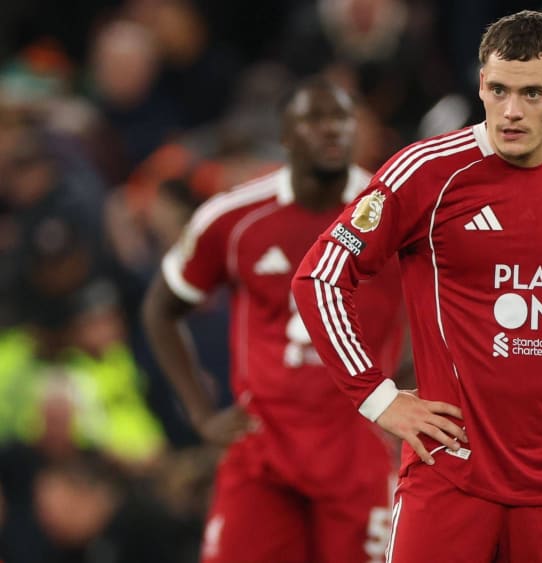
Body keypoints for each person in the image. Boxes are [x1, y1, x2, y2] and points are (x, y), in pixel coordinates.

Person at [291, 10, 542, 562]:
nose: (512, 111)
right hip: (447, 468)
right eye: (499, 90)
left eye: (532, 93)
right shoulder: (426, 171)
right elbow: (320, 278)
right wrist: (378, 398)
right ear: (481, 85)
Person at [142, 76, 406, 563]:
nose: (330, 130)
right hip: (264, 447)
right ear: (284, 135)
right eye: (313, 119)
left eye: (341, 119)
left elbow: (441, 312)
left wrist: (408, 397)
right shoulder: (234, 217)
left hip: (357, 448)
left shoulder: (400, 217)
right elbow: (161, 307)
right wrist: (201, 413)